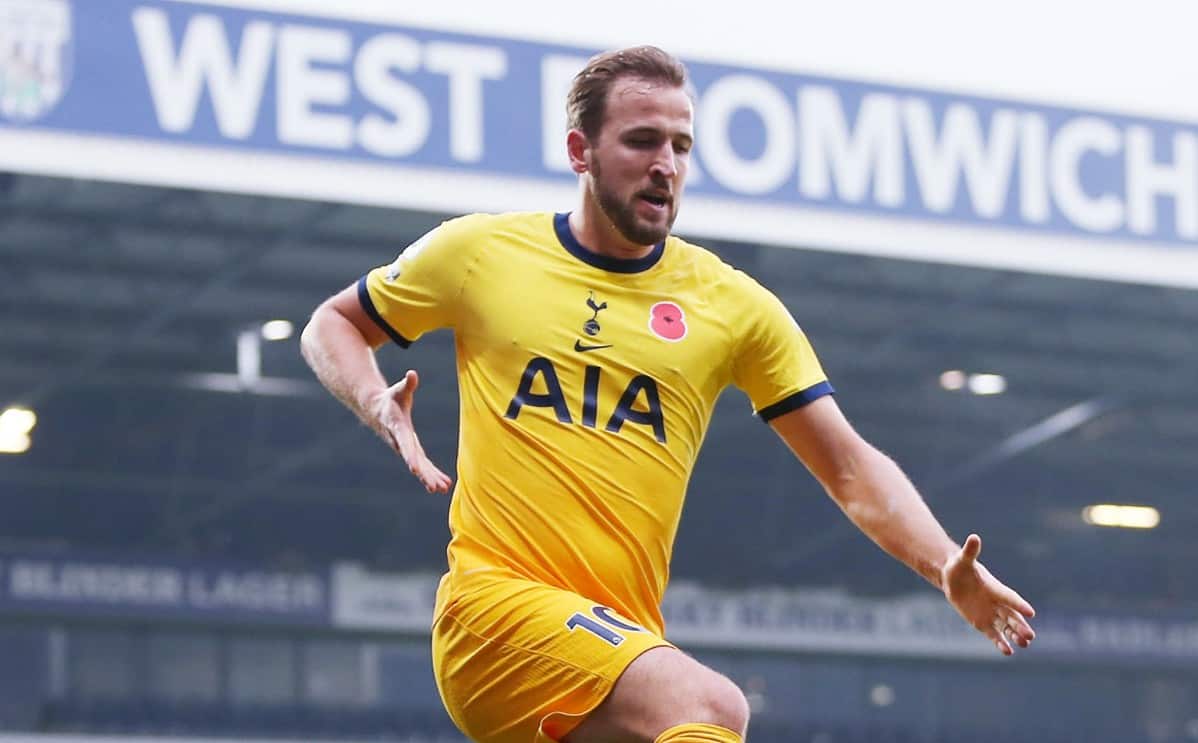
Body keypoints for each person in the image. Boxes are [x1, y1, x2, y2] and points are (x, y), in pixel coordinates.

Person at [300, 45, 1035, 743]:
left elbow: (848, 464)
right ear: (580, 153)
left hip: (617, 646)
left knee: (694, 718)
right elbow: (333, 323)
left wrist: (943, 563)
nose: (666, 166)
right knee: (712, 702)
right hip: (493, 614)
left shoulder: (734, 306)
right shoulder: (482, 253)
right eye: (642, 141)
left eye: (681, 147)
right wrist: (374, 401)